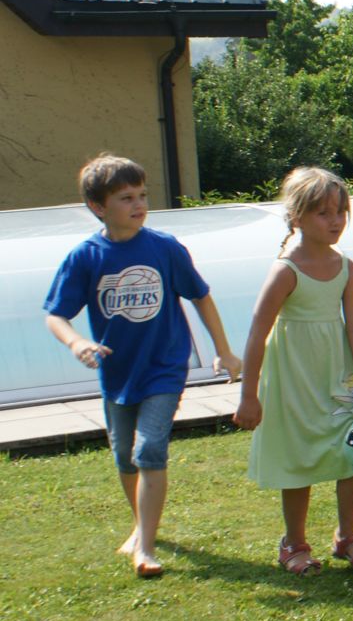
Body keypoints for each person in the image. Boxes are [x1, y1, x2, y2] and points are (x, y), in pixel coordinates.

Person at [43, 154, 241, 578]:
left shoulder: (165, 248)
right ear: (98, 207)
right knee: (124, 456)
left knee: (149, 448)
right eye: (126, 198)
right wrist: (77, 342)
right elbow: (55, 315)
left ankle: (146, 548)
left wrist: (224, 350)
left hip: (164, 367)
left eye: (142, 195)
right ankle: (141, 526)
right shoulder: (85, 257)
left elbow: (201, 296)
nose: (139, 204)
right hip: (118, 374)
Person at [235, 168, 353, 576]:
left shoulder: (346, 267)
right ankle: (294, 543)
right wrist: (248, 395)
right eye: (324, 213)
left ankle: (347, 536)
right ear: (297, 217)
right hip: (293, 379)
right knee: (297, 456)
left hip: (338, 376)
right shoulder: (285, 270)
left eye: (341, 212)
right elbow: (257, 332)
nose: (335, 221)